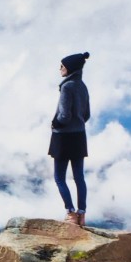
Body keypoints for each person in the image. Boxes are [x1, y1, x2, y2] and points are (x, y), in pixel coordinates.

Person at [50, 51, 92, 225]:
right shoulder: (82, 86)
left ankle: (70, 213)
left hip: (63, 138)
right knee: (79, 177)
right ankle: (82, 214)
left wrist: (56, 124)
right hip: (79, 136)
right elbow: (86, 114)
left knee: (59, 177)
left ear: (70, 68)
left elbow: (64, 115)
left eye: (62, 66)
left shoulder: (67, 87)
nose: (60, 68)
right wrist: (78, 123)